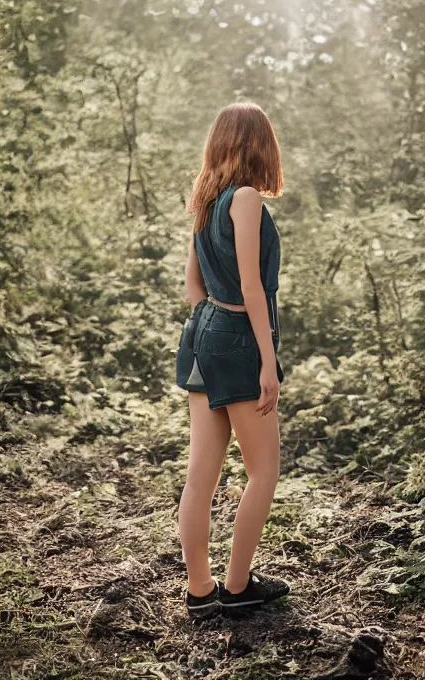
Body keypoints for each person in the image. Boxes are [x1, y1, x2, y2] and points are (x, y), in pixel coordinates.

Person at [175, 102, 291, 618]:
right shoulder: (244, 198)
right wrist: (267, 360)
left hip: (203, 333)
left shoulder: (206, 198)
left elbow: (191, 288)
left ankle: (199, 593)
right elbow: (250, 285)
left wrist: (212, 324)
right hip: (240, 338)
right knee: (263, 472)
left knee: (201, 475)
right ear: (256, 143)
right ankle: (238, 586)